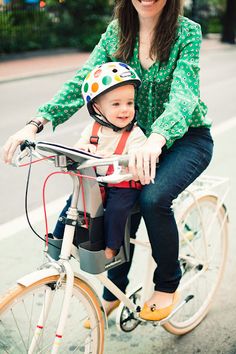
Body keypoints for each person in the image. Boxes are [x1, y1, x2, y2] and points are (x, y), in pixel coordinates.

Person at [2, 0, 214, 322]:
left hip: (185, 138)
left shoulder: (187, 32)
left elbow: (185, 95)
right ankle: (113, 290)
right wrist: (36, 123)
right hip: (132, 141)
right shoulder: (117, 33)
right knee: (114, 196)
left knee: (152, 198)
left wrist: (157, 138)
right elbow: (84, 83)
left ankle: (167, 283)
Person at [52, 61, 147, 260]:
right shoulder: (93, 129)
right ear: (97, 107)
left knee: (116, 210)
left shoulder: (135, 134)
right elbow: (78, 148)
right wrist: (82, 148)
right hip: (98, 182)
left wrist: (123, 160)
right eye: (116, 104)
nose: (125, 109)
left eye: (129, 103)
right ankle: (58, 238)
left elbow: (138, 159)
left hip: (123, 184)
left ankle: (112, 248)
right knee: (74, 203)